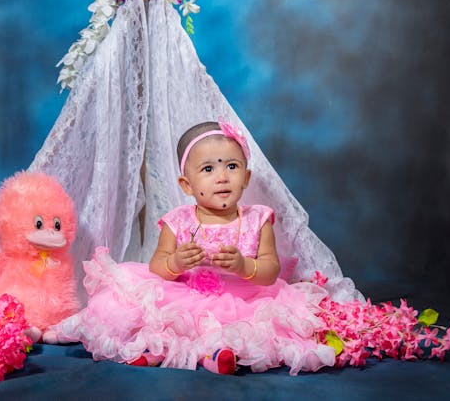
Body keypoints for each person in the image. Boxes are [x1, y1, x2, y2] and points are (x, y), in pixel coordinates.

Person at [45, 120, 336, 375]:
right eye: (208, 169)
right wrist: (176, 263)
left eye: (232, 166)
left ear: (246, 177)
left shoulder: (258, 219)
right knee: (152, 312)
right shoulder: (177, 221)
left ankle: (216, 356)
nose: (222, 177)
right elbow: (157, 266)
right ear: (187, 184)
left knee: (246, 331)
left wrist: (245, 266)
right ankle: (149, 347)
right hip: (187, 294)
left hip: (242, 300)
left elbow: (271, 272)